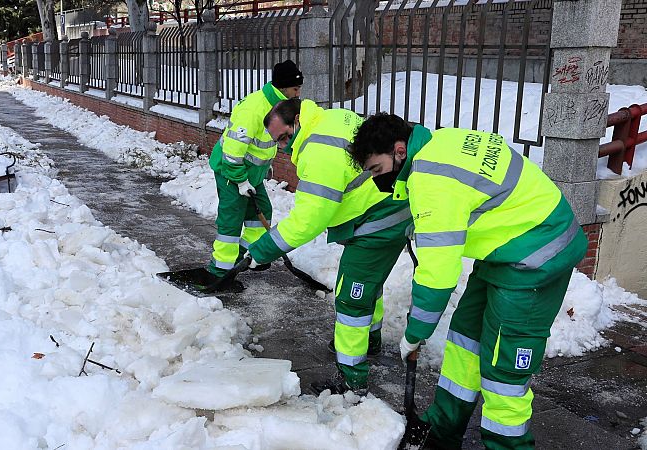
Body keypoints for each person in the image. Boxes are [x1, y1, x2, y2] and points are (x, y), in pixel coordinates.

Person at [348, 113, 588, 449]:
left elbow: (438, 273)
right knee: (465, 337)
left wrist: (415, 333)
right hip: (506, 245)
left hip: (538, 253)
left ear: (399, 150)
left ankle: (508, 445)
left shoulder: (429, 179)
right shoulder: (440, 142)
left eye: (377, 169)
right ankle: (444, 428)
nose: (377, 180)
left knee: (502, 368)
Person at [245, 99, 412, 395]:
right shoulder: (331, 118)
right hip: (390, 206)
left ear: (297, 120)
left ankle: (352, 378)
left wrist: (260, 251)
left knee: (351, 296)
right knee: (367, 282)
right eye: (277, 142)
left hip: (380, 216)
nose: (283, 147)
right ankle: (370, 339)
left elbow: (308, 220)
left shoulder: (317, 151)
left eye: (284, 137)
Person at [206, 60, 304, 281]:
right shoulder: (254, 108)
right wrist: (240, 181)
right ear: (283, 87)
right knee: (231, 219)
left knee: (259, 215)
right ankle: (220, 269)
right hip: (231, 171)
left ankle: (243, 258)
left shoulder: (282, 108)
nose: (298, 94)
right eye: (295, 89)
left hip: (253, 175)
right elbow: (232, 152)